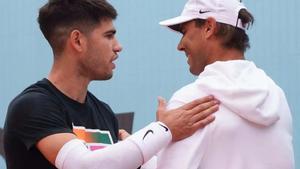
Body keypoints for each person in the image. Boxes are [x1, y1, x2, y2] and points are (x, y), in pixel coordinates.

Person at [3, 0, 220, 169]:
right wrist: (164, 130)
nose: (118, 47)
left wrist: (152, 151)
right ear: (77, 41)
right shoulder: (33, 106)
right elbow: (83, 165)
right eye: (109, 36)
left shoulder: (104, 113)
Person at [156, 0, 295, 168]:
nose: (180, 46)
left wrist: (158, 136)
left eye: (184, 32)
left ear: (209, 27)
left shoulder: (189, 102)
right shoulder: (276, 95)